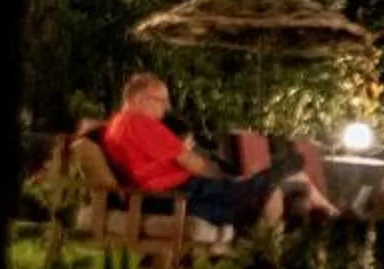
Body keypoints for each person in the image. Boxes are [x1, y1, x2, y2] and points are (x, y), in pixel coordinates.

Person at [100, 72, 334, 232]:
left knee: (269, 188)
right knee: (268, 185)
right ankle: (272, 231)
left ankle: (270, 193)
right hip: (182, 194)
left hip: (172, 195)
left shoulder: (117, 125)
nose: (166, 107)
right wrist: (224, 176)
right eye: (161, 101)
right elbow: (194, 164)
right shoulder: (139, 123)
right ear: (139, 99)